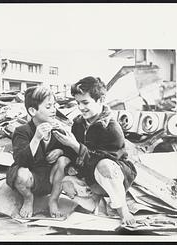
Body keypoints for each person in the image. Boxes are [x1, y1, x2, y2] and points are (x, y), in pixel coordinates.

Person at [52, 76, 137, 225]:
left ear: (100, 100)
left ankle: (122, 208)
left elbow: (105, 159)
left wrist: (75, 146)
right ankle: (93, 202)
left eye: (85, 102)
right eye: (78, 103)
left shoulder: (111, 127)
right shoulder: (78, 123)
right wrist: (63, 152)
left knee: (104, 165)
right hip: (90, 174)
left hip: (114, 175)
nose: (81, 107)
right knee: (66, 181)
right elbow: (73, 153)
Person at [6, 86, 71, 218]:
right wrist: (36, 138)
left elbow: (72, 153)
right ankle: (28, 199)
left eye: (54, 106)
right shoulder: (22, 131)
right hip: (32, 177)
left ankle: (53, 200)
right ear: (32, 110)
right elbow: (20, 160)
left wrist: (60, 151)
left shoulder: (57, 128)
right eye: (48, 107)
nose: (54, 110)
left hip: (52, 178)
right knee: (21, 174)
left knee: (64, 160)